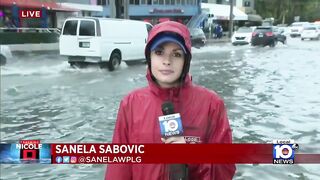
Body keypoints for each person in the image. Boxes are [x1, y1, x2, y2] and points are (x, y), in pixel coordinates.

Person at [105, 21, 236, 180]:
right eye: (159, 52)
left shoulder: (212, 105)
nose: (167, 61)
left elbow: (225, 168)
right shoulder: (130, 104)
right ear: (149, 57)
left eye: (176, 54)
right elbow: (118, 168)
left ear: (186, 61)